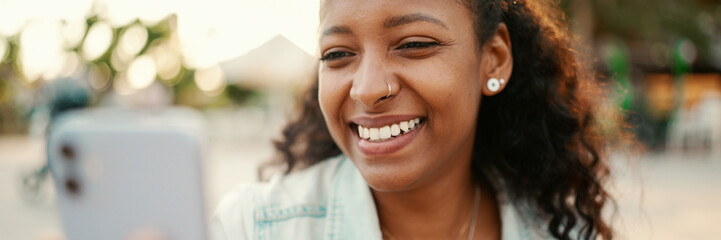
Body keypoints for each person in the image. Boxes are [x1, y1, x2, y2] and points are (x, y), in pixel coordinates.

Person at [212, 0, 615, 239]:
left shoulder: (560, 232)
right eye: (337, 53)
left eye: (414, 44)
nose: (367, 89)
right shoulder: (253, 228)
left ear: (493, 59)